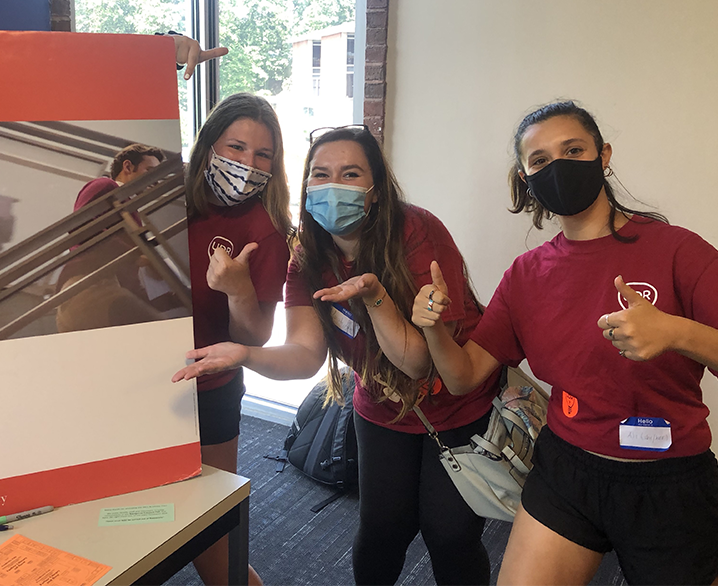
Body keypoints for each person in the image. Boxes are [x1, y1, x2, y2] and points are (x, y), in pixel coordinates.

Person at [411, 101, 718, 586]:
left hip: (669, 480)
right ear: (525, 177)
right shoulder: (527, 273)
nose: (556, 166)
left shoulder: (681, 251)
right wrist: (433, 327)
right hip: (566, 469)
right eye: (539, 161)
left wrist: (679, 332)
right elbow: (463, 376)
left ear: (604, 156)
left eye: (572, 150)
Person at [175, 125, 499, 586]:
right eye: (321, 175)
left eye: (350, 174)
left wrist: (374, 297)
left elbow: (418, 363)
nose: (333, 186)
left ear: (375, 191)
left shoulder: (417, 232)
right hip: (382, 406)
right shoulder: (307, 256)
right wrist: (244, 353)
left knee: (448, 535)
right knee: (381, 530)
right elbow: (305, 355)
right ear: (306, 188)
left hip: (456, 404)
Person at [184, 92, 293, 586]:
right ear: (209, 146)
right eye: (236, 147)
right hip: (130, 380)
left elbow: (256, 337)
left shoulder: (266, 230)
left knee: (211, 528)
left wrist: (239, 290)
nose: (248, 165)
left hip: (210, 387)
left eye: (262, 155)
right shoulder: (167, 201)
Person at [55, 143, 169, 332]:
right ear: (128, 167)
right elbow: (82, 226)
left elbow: (131, 281)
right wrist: (139, 256)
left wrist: (171, 299)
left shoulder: (132, 213)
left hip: (107, 289)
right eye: (150, 170)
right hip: (89, 285)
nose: (156, 180)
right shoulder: (107, 185)